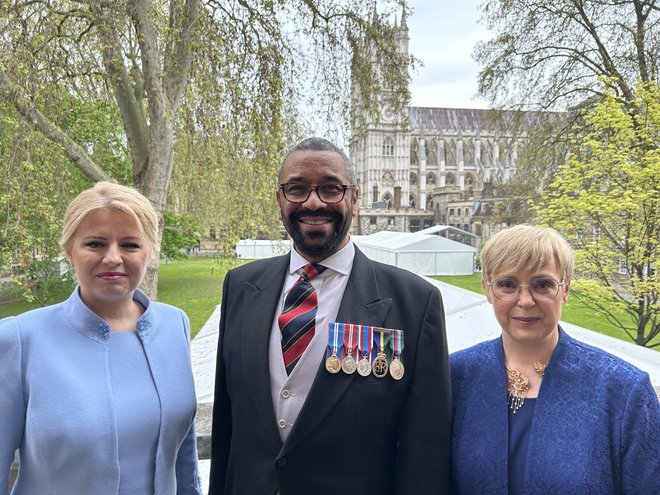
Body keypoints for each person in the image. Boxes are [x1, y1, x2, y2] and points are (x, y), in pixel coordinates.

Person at [209, 137, 451, 494]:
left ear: (354, 198)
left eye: (330, 188)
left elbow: (425, 454)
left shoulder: (415, 303)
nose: (313, 201)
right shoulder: (241, 286)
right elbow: (227, 426)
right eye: (297, 189)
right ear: (279, 200)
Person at [0, 182, 202, 494]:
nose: (112, 258)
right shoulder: (19, 340)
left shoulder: (174, 324)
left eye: (130, 245)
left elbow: (183, 452)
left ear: (149, 251)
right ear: (69, 251)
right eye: (95, 244)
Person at [450, 225, 660, 494]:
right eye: (507, 284)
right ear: (487, 290)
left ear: (566, 290)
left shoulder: (622, 390)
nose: (525, 300)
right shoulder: (454, 377)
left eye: (543, 285)